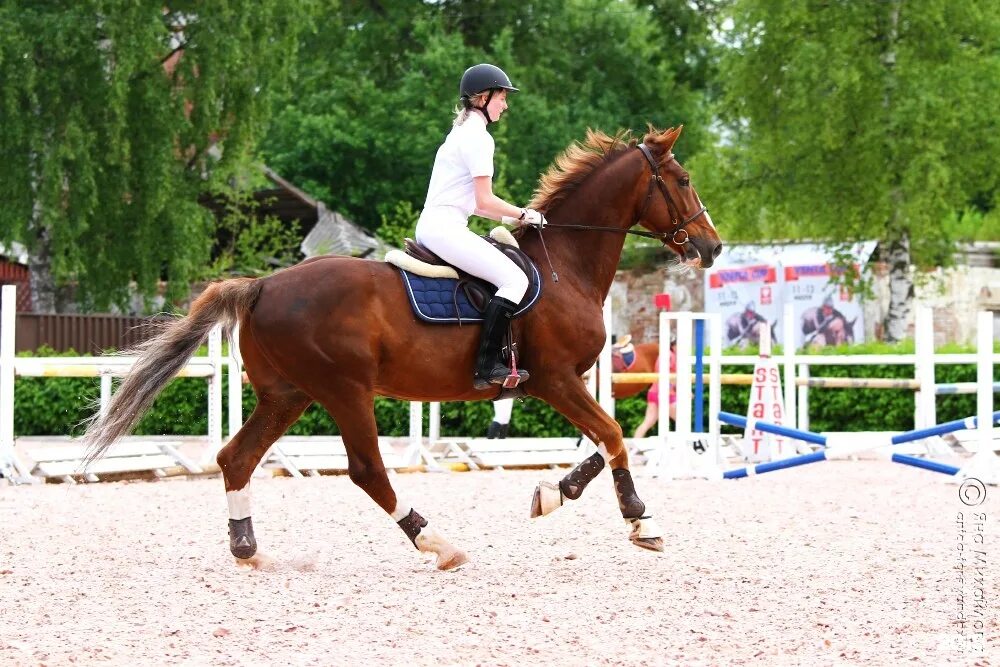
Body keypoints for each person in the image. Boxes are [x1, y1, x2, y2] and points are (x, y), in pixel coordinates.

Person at [416, 64, 545, 389]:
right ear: (484, 97)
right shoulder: (479, 138)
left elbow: (476, 204)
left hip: (436, 225)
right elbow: (485, 200)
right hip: (445, 229)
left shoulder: (460, 134)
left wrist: (511, 217)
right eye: (502, 97)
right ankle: (487, 365)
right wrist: (524, 214)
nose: (506, 105)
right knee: (515, 280)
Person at [632, 337, 678, 439]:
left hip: (654, 392)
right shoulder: (671, 356)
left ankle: (635, 442)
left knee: (648, 421)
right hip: (667, 393)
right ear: (673, 346)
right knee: (682, 420)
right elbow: (668, 376)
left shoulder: (666, 355)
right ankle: (683, 443)